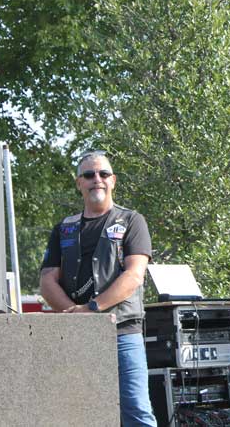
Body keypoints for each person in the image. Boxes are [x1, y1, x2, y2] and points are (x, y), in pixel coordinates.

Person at [39, 151, 157, 426]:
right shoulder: (63, 228)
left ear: (113, 180)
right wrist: (75, 313)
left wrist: (93, 309)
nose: (97, 180)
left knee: (137, 412)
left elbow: (134, 276)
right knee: (78, 413)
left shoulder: (132, 221)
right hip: (75, 335)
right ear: (79, 183)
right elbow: (47, 280)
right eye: (89, 175)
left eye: (103, 174)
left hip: (123, 334)